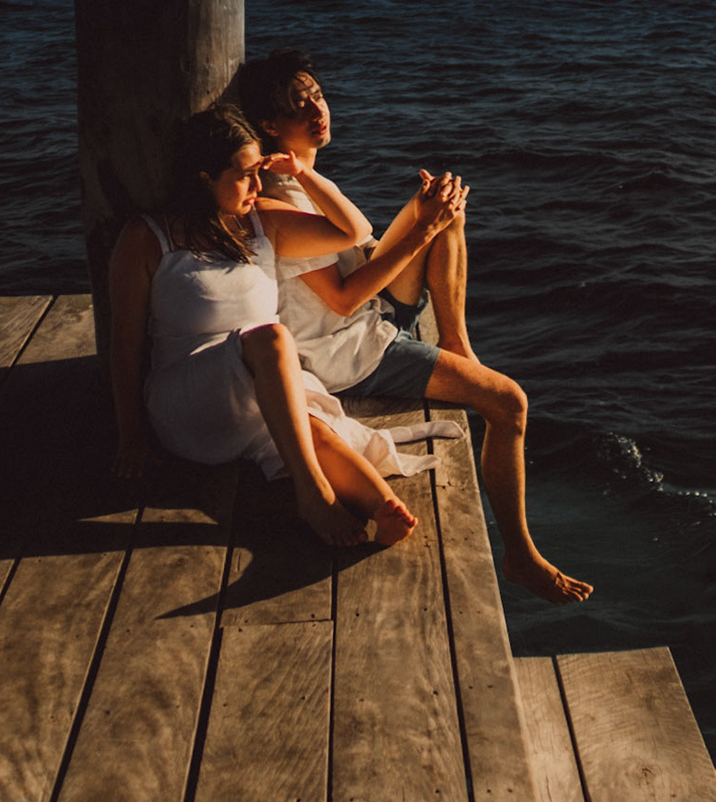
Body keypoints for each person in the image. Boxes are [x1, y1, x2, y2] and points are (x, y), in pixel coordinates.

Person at [228, 50, 592, 604]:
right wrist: (420, 232)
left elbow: (358, 251)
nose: (318, 111)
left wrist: (428, 219)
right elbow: (343, 302)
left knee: (445, 204)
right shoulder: (282, 201)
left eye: (318, 96)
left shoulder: (301, 178)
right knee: (509, 403)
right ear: (270, 125)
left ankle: (456, 342)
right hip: (347, 353)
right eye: (299, 106)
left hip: (369, 317)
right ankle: (520, 554)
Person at [108, 104, 467, 547]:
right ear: (205, 179)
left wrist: (302, 173)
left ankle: (382, 506)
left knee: (316, 430)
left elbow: (353, 231)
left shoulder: (262, 221)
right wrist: (131, 436)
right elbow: (124, 343)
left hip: (263, 386)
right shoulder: (146, 237)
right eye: (245, 176)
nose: (258, 186)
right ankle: (312, 496)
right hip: (189, 401)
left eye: (259, 172)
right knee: (274, 339)